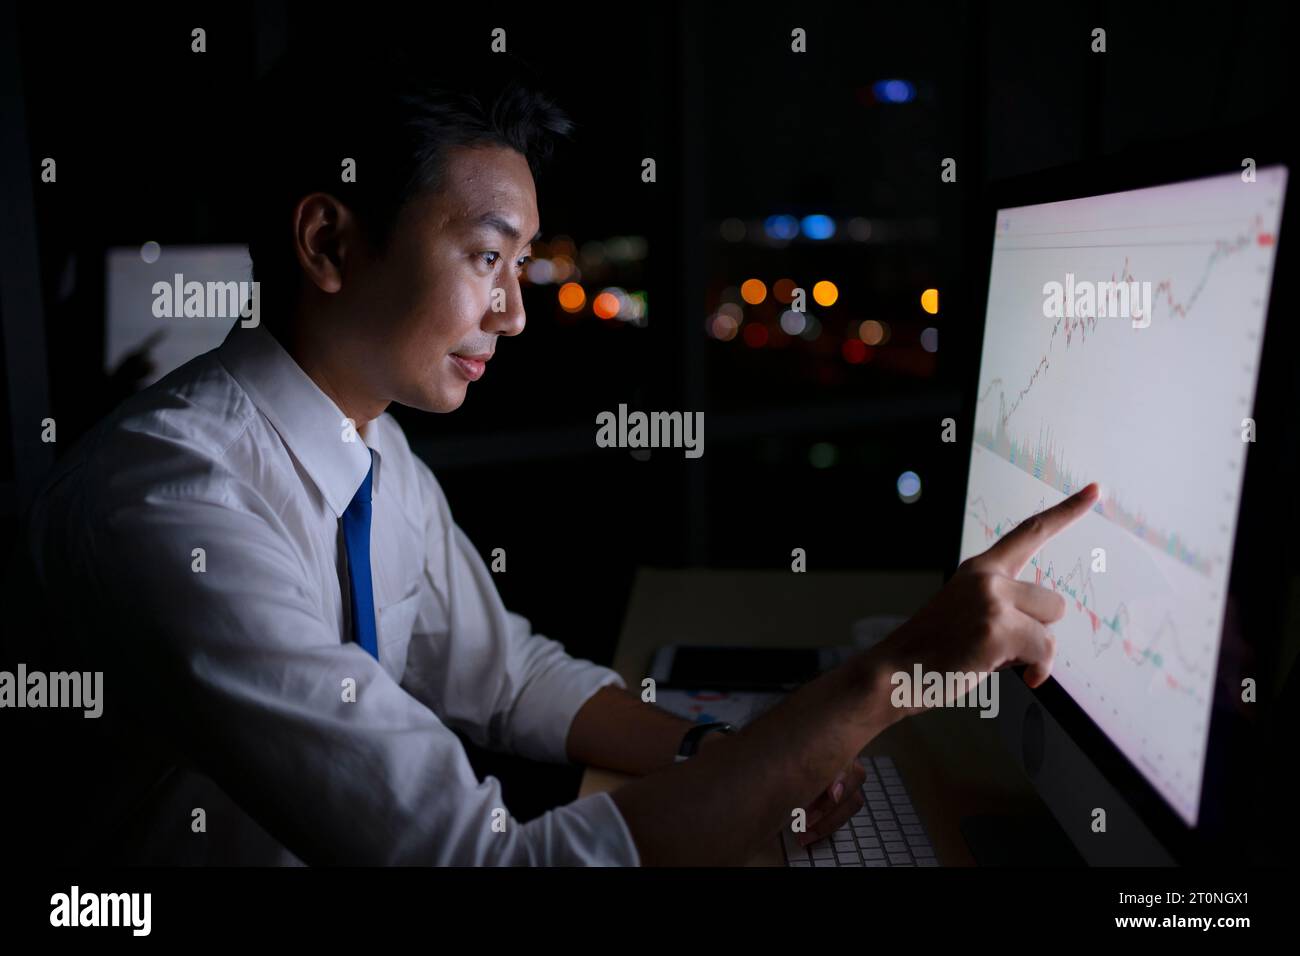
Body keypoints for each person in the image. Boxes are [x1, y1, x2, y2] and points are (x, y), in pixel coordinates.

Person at [26, 49, 1101, 865]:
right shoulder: (174, 503)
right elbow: (478, 860)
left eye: (522, 265)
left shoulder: (367, 449)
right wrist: (890, 673)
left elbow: (506, 676)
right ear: (328, 244)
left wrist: (711, 758)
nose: (512, 311)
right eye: (486, 256)